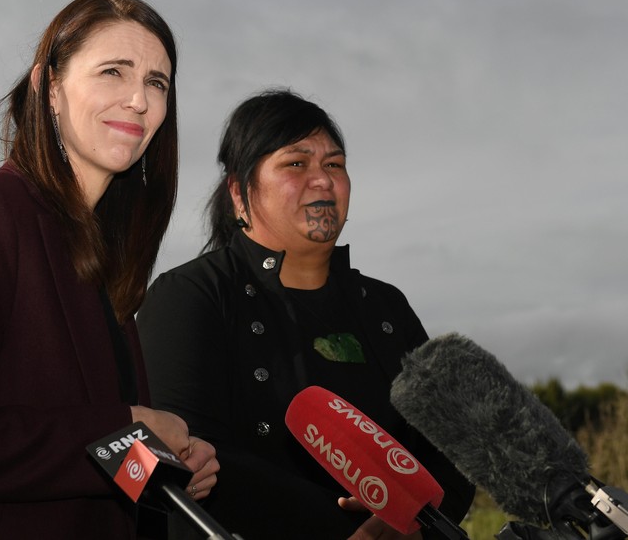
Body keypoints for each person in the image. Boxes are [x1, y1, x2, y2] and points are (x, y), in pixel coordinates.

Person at [0, 0, 218, 540]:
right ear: (50, 87)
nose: (138, 100)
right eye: (113, 71)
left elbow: (80, 461)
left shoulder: (109, 256)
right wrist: (125, 428)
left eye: (157, 83)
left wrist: (164, 464)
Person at [136, 89, 475, 539]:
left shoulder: (386, 307)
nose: (322, 180)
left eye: (334, 165)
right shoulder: (190, 296)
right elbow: (189, 453)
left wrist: (395, 526)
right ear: (239, 193)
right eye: (296, 164)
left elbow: (455, 453)